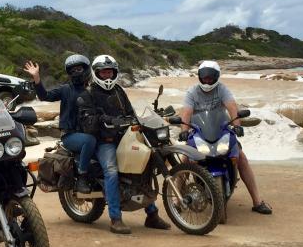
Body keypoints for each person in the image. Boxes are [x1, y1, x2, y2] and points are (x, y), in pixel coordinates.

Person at [76, 54, 171, 234]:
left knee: (144, 168)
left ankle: (152, 215)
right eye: (103, 73)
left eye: (110, 72)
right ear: (96, 73)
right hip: (103, 142)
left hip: (123, 137)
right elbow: (88, 121)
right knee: (111, 171)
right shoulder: (88, 94)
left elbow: (131, 112)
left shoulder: (119, 91)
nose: (107, 76)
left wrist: (143, 119)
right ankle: (115, 218)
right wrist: (106, 119)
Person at [179, 60, 272, 215]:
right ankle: (176, 200)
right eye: (205, 77)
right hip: (199, 131)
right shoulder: (192, 92)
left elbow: (232, 107)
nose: (207, 80)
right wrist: (184, 130)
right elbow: (187, 113)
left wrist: (237, 125)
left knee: (241, 158)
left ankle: (257, 201)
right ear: (199, 77)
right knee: (186, 159)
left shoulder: (222, 90)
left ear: (217, 77)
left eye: (211, 77)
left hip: (220, 130)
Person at [23, 55, 95, 193]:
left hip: (89, 131)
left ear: (86, 70)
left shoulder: (93, 90)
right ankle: (82, 177)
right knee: (90, 141)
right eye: (72, 70)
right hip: (70, 135)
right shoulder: (65, 89)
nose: (76, 72)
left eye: (79, 69)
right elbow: (45, 96)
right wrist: (36, 78)